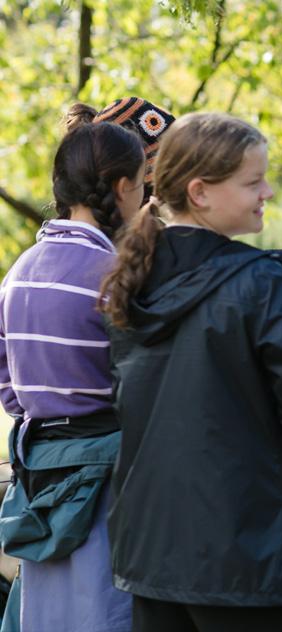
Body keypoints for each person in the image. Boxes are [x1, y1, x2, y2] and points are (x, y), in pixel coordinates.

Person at [99, 112, 282, 632]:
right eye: (253, 182)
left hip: (152, 553)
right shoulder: (262, 282)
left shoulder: (129, 283)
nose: (267, 192)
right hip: (251, 554)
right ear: (200, 192)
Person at [0, 112, 147, 632]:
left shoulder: (18, 271)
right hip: (109, 482)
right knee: (108, 613)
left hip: (40, 474)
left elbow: (10, 391)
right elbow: (143, 385)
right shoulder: (117, 277)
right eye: (143, 185)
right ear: (123, 188)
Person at [88, 95, 282, 313]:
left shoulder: (144, 243)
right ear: (125, 183)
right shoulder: (114, 256)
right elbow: (225, 265)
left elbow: (226, 263)